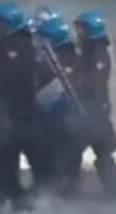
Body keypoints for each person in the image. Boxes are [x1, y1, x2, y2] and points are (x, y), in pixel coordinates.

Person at [0, 2, 38, 207]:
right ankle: (15, 207)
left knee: (16, 166)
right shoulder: (3, 46)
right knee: (6, 168)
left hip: (20, 116)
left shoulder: (18, 46)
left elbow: (10, 80)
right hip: (10, 116)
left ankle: (27, 208)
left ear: (7, 24)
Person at [33, 17, 86, 196]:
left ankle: (71, 196)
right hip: (54, 120)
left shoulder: (69, 57)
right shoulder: (50, 57)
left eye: (44, 37)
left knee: (68, 163)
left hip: (69, 120)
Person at [73, 11, 116, 191]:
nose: (78, 33)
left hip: (94, 111)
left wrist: (77, 81)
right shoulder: (87, 52)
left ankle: (114, 189)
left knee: (103, 151)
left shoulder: (98, 53)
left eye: (81, 30)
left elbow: (95, 82)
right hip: (87, 110)